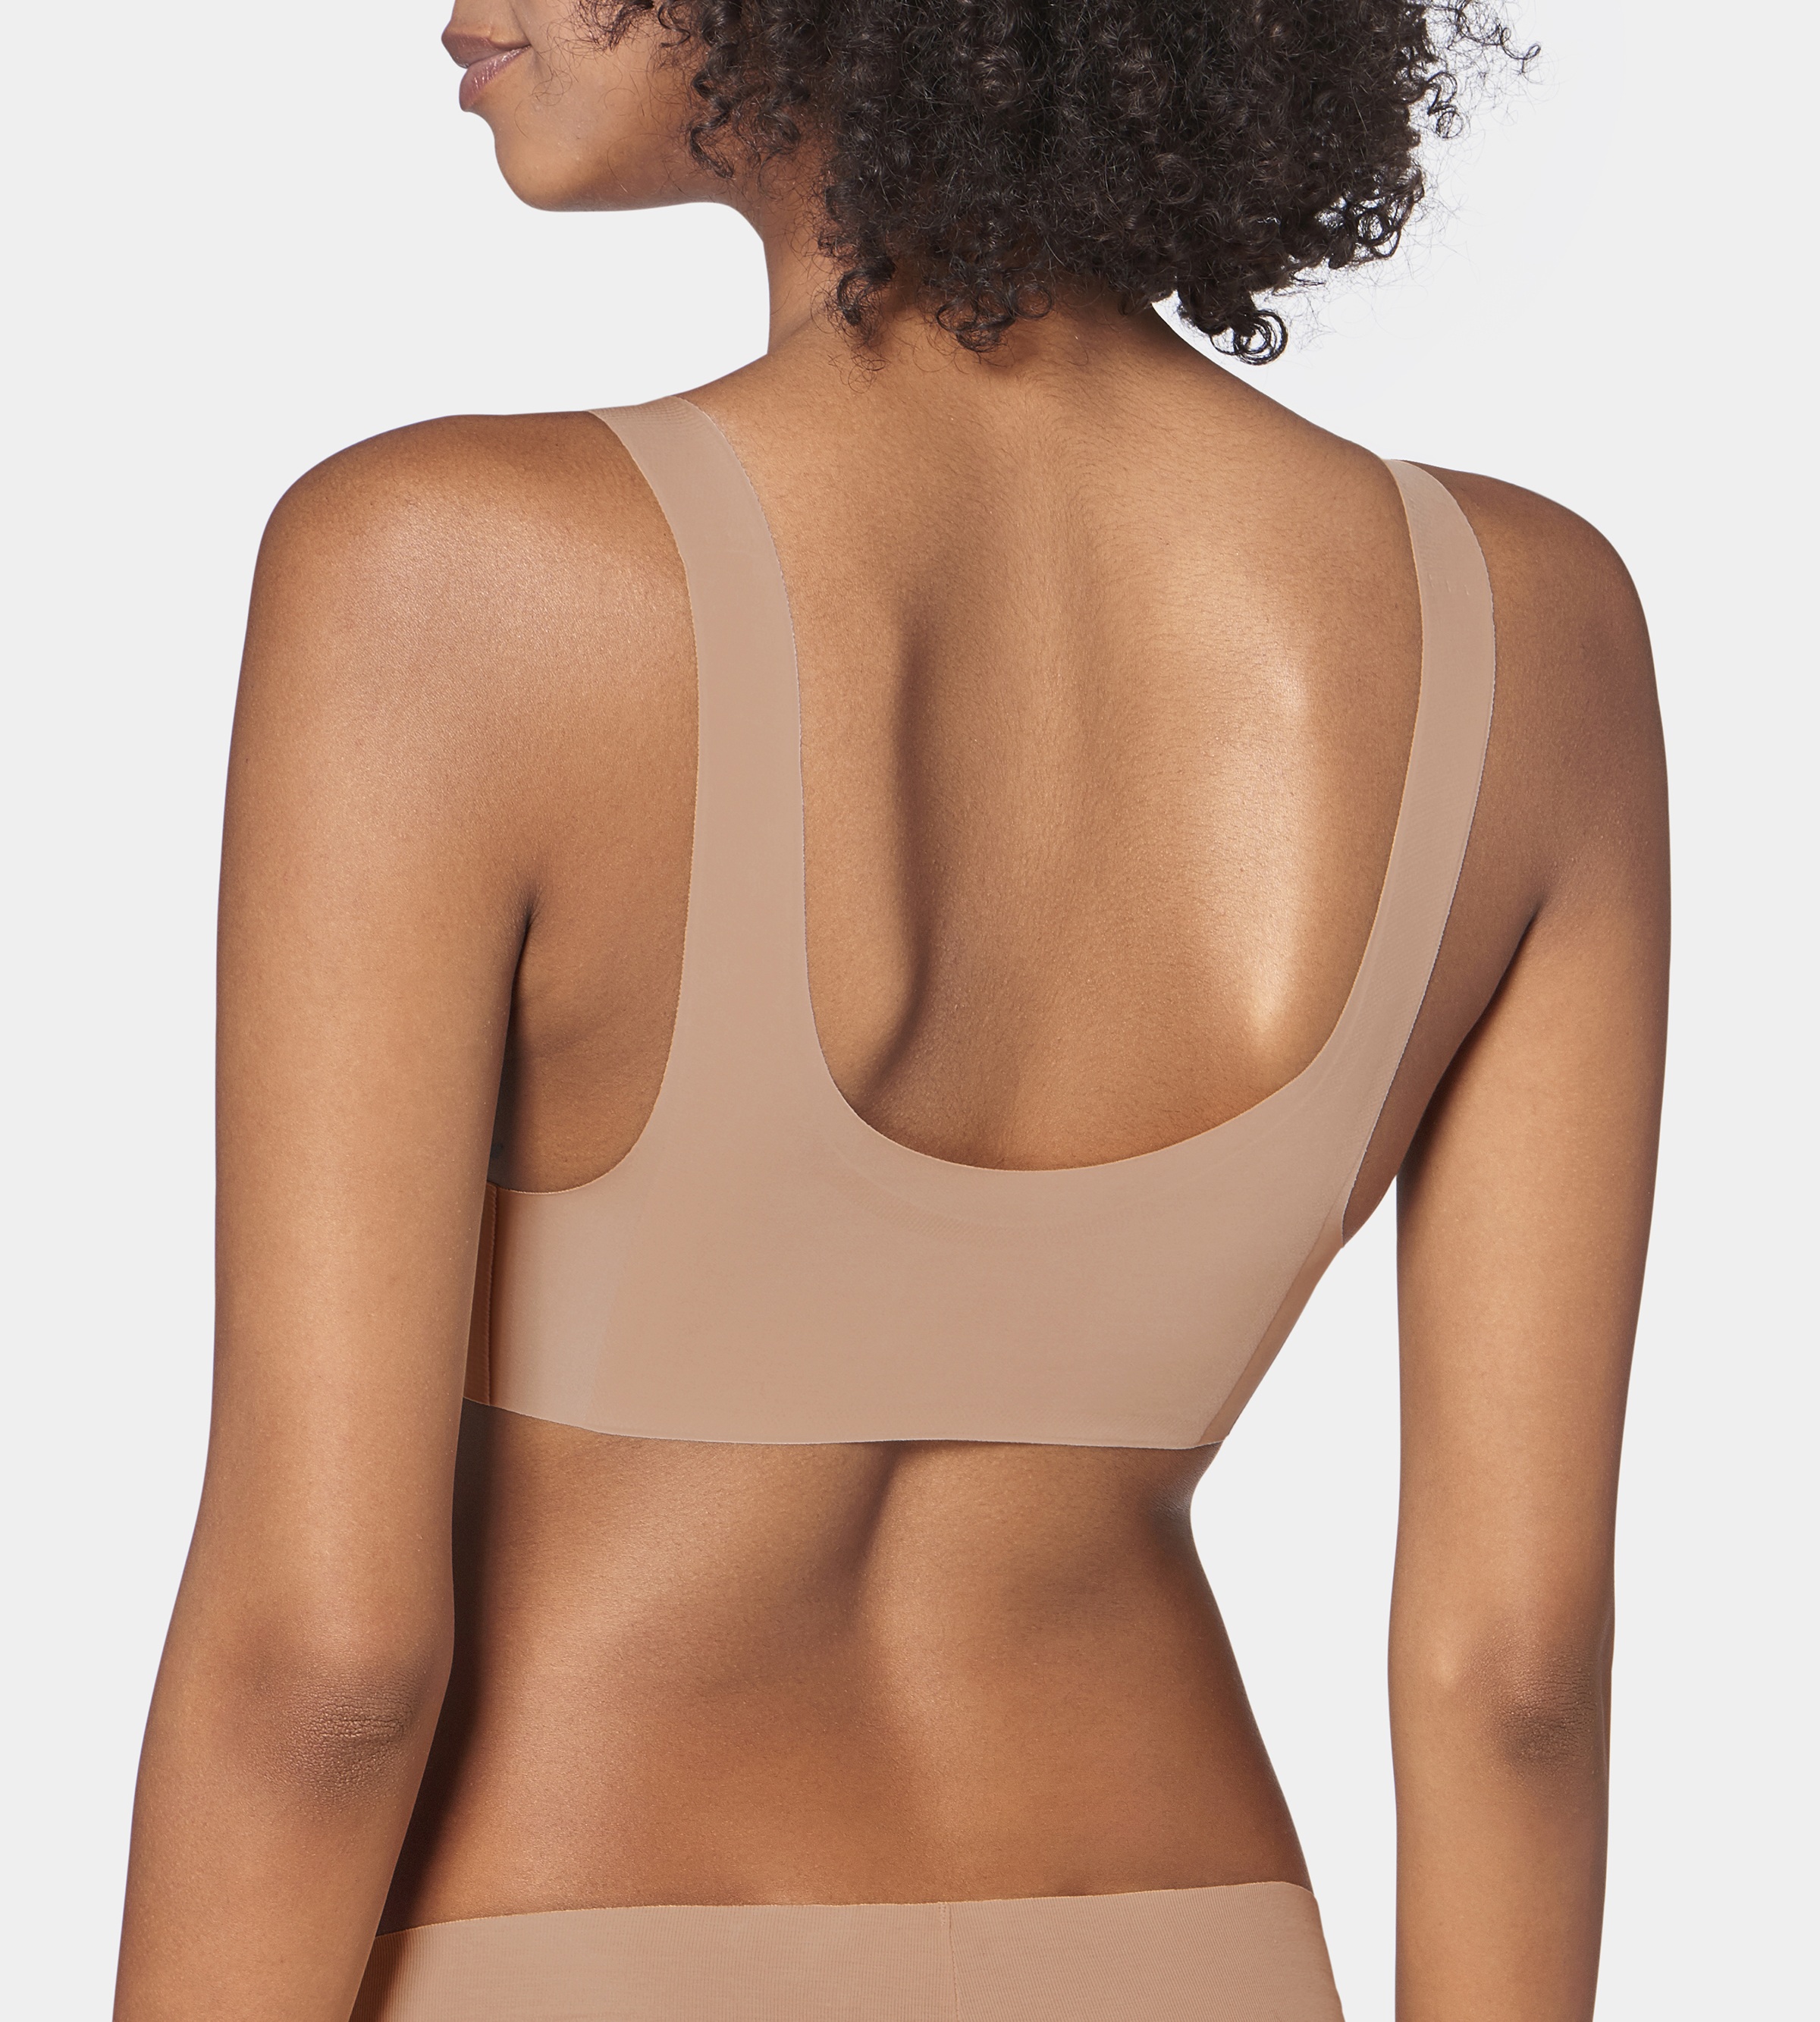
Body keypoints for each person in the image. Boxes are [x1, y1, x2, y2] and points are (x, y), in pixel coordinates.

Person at [112, 3, 1667, 2018]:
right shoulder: (1533, 632)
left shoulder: (451, 571)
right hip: (1184, 1949)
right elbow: (1517, 1674)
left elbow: (324, 1669)